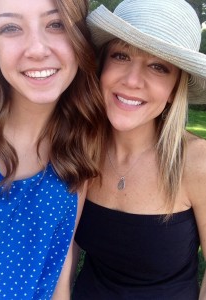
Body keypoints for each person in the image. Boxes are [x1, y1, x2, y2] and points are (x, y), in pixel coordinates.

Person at [72, 0, 206, 299]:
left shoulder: (197, 162)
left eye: (158, 66)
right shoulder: (81, 149)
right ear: (102, 65)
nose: (132, 81)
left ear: (175, 89)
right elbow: (65, 251)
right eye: (121, 55)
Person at [0, 0, 106, 299]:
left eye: (56, 24)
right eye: (10, 27)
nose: (37, 48)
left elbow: (59, 272)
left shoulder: (80, 150)